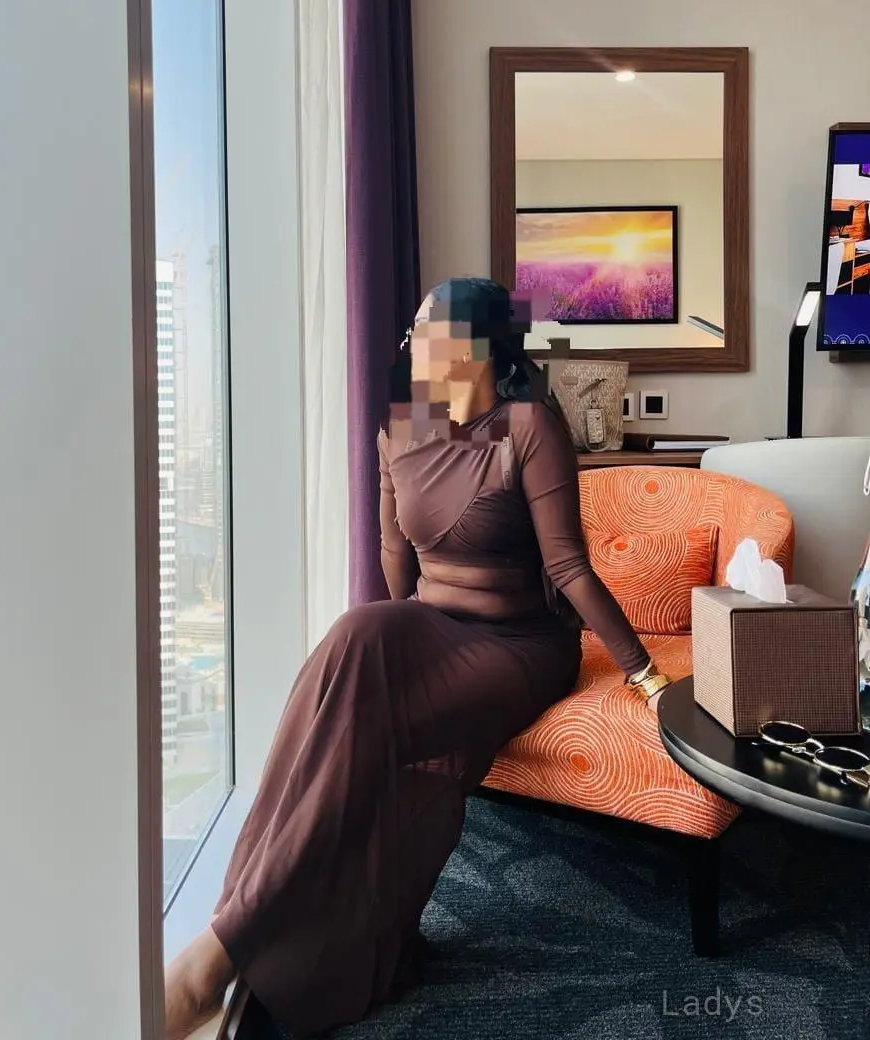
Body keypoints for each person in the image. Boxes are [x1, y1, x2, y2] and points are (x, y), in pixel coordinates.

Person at [163, 276, 672, 1040]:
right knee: (359, 635)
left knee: (361, 691)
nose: (409, 344)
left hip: (519, 645)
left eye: (423, 330)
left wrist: (646, 675)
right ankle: (256, 939)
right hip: (432, 627)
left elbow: (568, 568)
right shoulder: (400, 429)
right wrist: (401, 646)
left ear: (471, 345)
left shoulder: (528, 427)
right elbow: (393, 559)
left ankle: (213, 960)